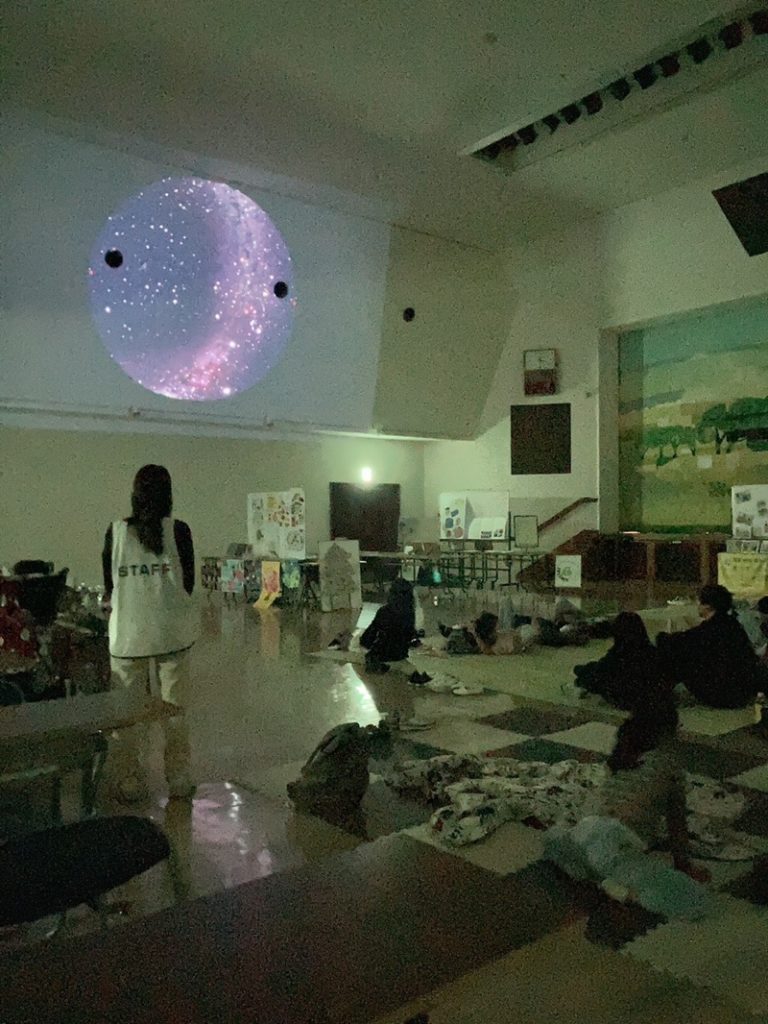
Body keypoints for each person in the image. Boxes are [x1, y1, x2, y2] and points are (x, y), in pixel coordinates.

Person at [102, 465, 197, 803]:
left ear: (135, 495)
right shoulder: (179, 531)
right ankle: (179, 777)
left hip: (127, 638)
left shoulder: (115, 532)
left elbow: (109, 585)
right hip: (172, 635)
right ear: (168, 495)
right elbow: (188, 583)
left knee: (127, 714)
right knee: (175, 710)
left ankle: (129, 779)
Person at [657, 584, 765, 708]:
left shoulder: (710, 629)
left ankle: (659, 694)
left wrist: (662, 637)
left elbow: (677, 641)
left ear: (707, 606)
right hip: (743, 689)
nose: (697, 605)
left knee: (675, 655)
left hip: (723, 692)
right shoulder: (732, 625)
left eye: (699, 602)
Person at [574, 612, 667, 710]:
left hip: (625, 697)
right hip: (647, 695)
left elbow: (600, 674)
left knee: (587, 673)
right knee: (593, 669)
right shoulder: (652, 653)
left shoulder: (616, 657)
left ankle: (582, 673)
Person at [360, 578, 416, 672]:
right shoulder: (410, 613)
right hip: (400, 655)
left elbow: (368, 637)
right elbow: (409, 635)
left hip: (383, 655)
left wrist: (364, 642)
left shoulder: (384, 611)